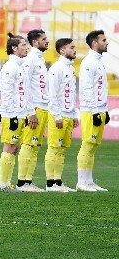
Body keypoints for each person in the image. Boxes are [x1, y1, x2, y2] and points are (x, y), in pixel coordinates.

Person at [0, 35, 35, 191]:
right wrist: (12, 115)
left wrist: (27, 112)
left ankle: (8, 183)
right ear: (14, 48)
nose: (26, 47)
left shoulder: (21, 66)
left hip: (20, 114)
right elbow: (6, 93)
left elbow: (24, 92)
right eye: (23, 45)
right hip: (11, 114)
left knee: (15, 148)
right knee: (10, 147)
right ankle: (3, 184)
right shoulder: (10, 67)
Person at [17, 30, 51, 191]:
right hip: (35, 108)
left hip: (43, 107)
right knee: (28, 144)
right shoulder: (30, 60)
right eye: (44, 39)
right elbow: (25, 86)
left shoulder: (39, 59)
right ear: (35, 42)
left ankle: (28, 180)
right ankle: (22, 182)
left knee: (36, 145)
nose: (47, 41)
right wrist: (30, 111)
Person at [77, 29, 110, 191]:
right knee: (87, 144)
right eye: (103, 40)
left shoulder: (98, 61)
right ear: (94, 43)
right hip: (91, 110)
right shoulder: (89, 62)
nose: (107, 42)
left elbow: (100, 89)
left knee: (93, 146)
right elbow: (87, 88)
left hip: (98, 109)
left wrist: (105, 109)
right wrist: (96, 110)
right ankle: (82, 182)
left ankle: (89, 181)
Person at [45, 38, 78, 192]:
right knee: (54, 148)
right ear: (62, 50)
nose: (75, 50)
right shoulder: (56, 69)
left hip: (69, 114)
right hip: (58, 115)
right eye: (71, 47)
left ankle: (58, 182)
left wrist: (74, 113)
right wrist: (57, 115)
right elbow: (51, 94)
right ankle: (50, 183)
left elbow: (71, 93)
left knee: (62, 149)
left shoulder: (70, 69)